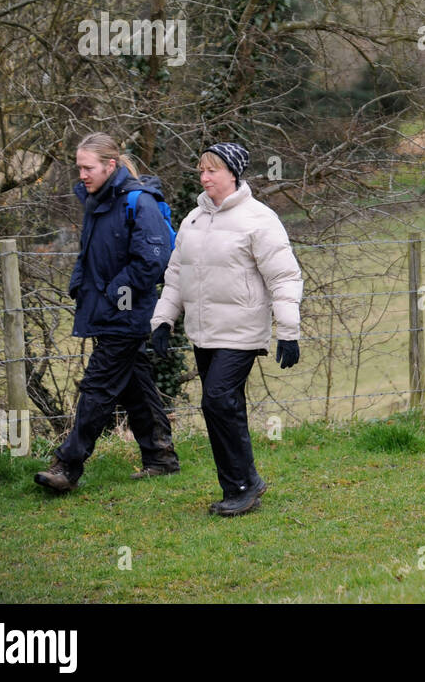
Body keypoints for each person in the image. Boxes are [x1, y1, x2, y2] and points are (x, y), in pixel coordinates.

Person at [151, 143, 303, 516]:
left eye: (212, 171)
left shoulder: (258, 219)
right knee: (223, 406)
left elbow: (284, 276)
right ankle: (238, 485)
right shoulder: (193, 220)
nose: (204, 178)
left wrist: (288, 331)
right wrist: (163, 320)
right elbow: (175, 275)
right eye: (201, 171)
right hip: (204, 333)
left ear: (233, 174)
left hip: (241, 331)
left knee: (217, 400)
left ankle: (243, 484)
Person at [34, 133, 179, 492]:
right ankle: (160, 457)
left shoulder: (137, 202)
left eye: (88, 167)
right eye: (79, 167)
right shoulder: (97, 200)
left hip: (126, 311)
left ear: (109, 165)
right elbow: (90, 255)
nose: (81, 174)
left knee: (98, 386)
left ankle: (68, 466)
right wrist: (79, 284)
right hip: (106, 308)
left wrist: (116, 295)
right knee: (134, 384)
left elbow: (153, 259)